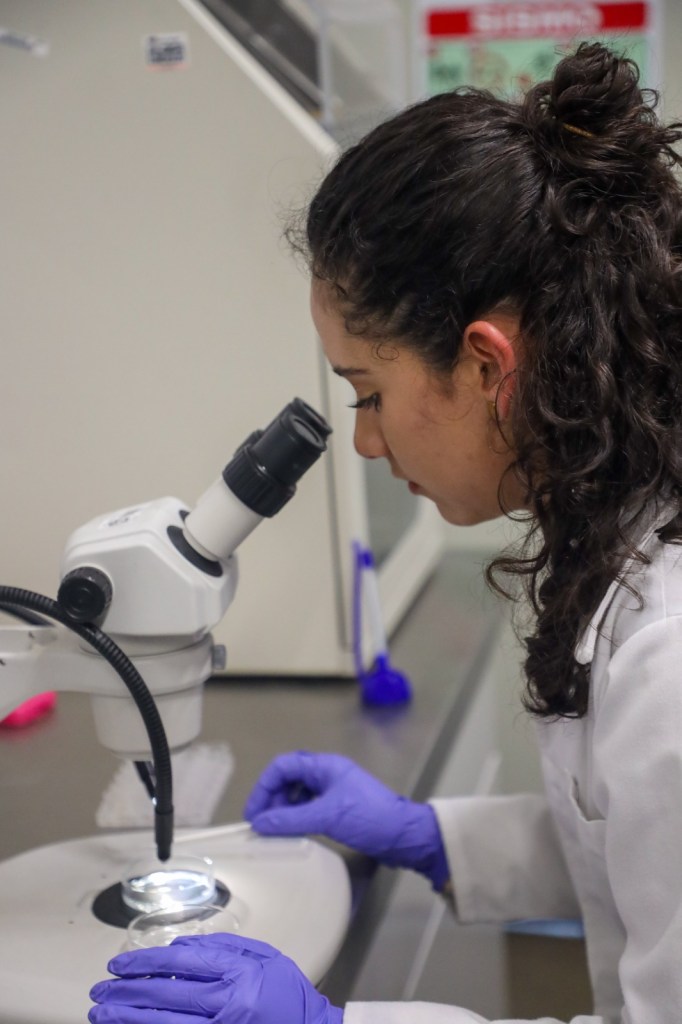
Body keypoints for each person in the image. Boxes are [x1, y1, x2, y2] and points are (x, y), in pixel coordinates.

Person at [88, 42, 682, 1024]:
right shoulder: (626, 518)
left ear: (487, 365)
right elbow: (635, 843)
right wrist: (430, 836)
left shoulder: (669, 652)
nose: (364, 441)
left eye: (368, 392)